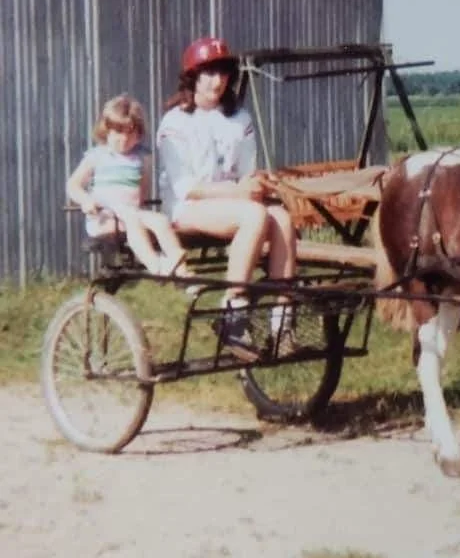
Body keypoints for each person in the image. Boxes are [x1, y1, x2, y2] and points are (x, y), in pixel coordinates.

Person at [156, 36, 298, 359]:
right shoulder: (175, 122)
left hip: (232, 204)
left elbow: (246, 173)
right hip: (188, 208)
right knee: (255, 216)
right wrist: (240, 191)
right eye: (208, 73)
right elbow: (186, 187)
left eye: (223, 73)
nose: (217, 81)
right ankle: (232, 313)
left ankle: (282, 322)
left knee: (283, 218)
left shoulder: (240, 120)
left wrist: (259, 184)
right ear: (192, 77)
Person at [67, 94, 193, 278]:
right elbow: (73, 184)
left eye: (130, 132)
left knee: (160, 220)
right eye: (118, 132)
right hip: (105, 218)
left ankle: (180, 268)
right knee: (134, 221)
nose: (124, 139)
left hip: (130, 213)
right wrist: (85, 200)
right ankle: (155, 265)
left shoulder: (140, 158)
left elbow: (142, 190)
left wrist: (139, 209)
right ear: (106, 130)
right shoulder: (98, 156)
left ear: (139, 134)